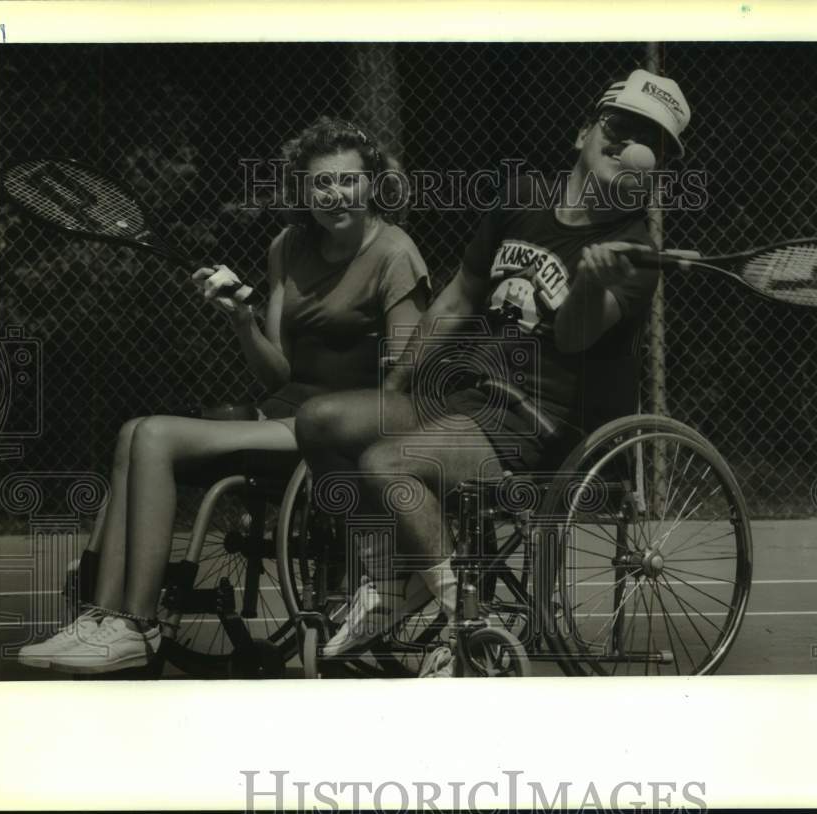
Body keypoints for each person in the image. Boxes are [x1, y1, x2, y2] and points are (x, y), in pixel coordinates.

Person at [294, 69, 691, 674]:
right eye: (617, 125)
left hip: (552, 427)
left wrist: (589, 280)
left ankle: (464, 620)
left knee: (385, 463)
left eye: (646, 140)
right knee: (321, 421)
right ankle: (397, 575)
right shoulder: (519, 200)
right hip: (476, 400)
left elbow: (572, 335)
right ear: (583, 132)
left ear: (654, 169)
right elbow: (455, 301)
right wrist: (398, 385)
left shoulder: (634, 250)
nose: (623, 142)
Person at [18, 117, 430, 674]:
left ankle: (137, 628)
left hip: (335, 431)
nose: (336, 195)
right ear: (303, 192)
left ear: (372, 183)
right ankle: (101, 617)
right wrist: (242, 319)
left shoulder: (395, 254)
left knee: (157, 434)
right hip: (283, 413)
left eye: (349, 181)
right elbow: (278, 372)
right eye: (321, 184)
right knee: (131, 431)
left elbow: (405, 382)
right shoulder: (287, 247)